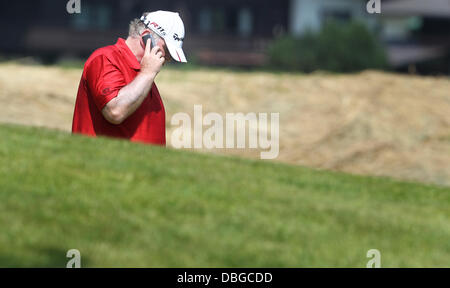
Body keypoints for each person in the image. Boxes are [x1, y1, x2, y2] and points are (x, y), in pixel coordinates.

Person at [72, 11, 187, 146]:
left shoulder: (145, 78)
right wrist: (147, 73)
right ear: (146, 38)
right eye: (166, 50)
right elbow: (115, 111)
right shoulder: (105, 58)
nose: (168, 58)